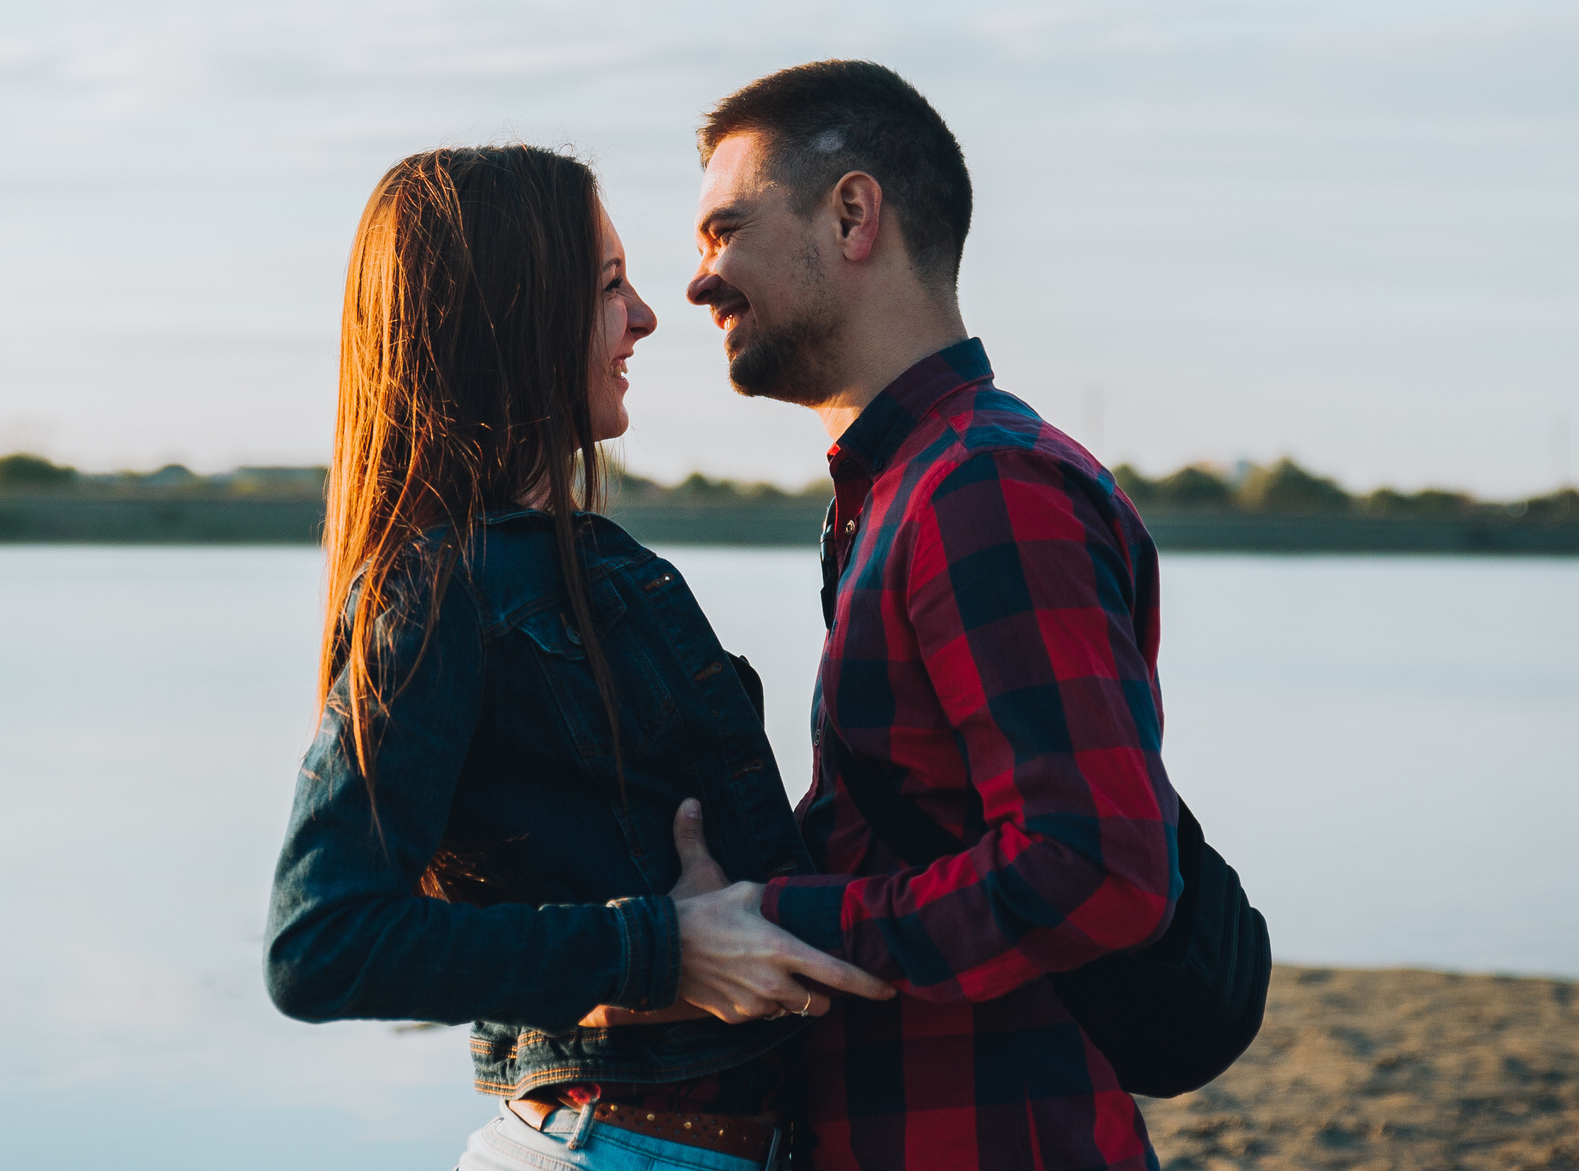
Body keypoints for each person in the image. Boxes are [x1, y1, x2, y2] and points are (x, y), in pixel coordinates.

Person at [264, 144, 894, 1171]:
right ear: (511, 316)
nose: (646, 316)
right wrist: (660, 946)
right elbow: (320, 945)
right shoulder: (443, 587)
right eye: (607, 287)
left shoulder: (580, 564)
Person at [671, 61, 1182, 1171]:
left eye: (725, 230)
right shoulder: (908, 486)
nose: (699, 282)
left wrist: (777, 921)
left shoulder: (982, 487)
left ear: (852, 214)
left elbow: (1098, 864)